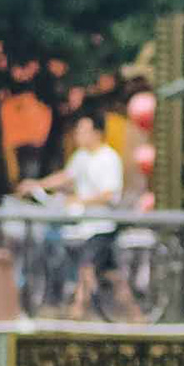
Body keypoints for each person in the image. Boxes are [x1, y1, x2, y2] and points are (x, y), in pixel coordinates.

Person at [58, 114, 127, 319]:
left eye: (83, 131)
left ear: (97, 133)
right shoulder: (81, 156)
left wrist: (80, 200)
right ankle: (135, 314)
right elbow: (66, 177)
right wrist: (37, 185)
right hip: (85, 227)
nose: (78, 135)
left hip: (102, 227)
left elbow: (109, 194)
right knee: (113, 275)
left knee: (86, 267)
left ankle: (77, 309)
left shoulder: (109, 158)